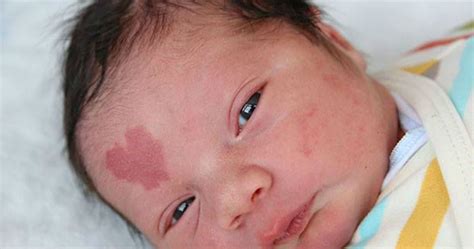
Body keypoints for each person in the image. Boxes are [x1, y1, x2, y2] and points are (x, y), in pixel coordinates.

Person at [62, 1, 472, 248]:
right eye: (181, 211)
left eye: (247, 111)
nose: (233, 200)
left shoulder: (452, 57)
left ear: (334, 41)